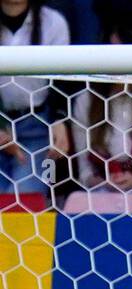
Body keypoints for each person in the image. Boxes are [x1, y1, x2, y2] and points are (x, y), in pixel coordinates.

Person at [1, 0, 73, 200]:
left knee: (23, 203)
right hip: (2, 122)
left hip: (38, 126)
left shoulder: (53, 21)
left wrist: (59, 119)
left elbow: (63, 77)